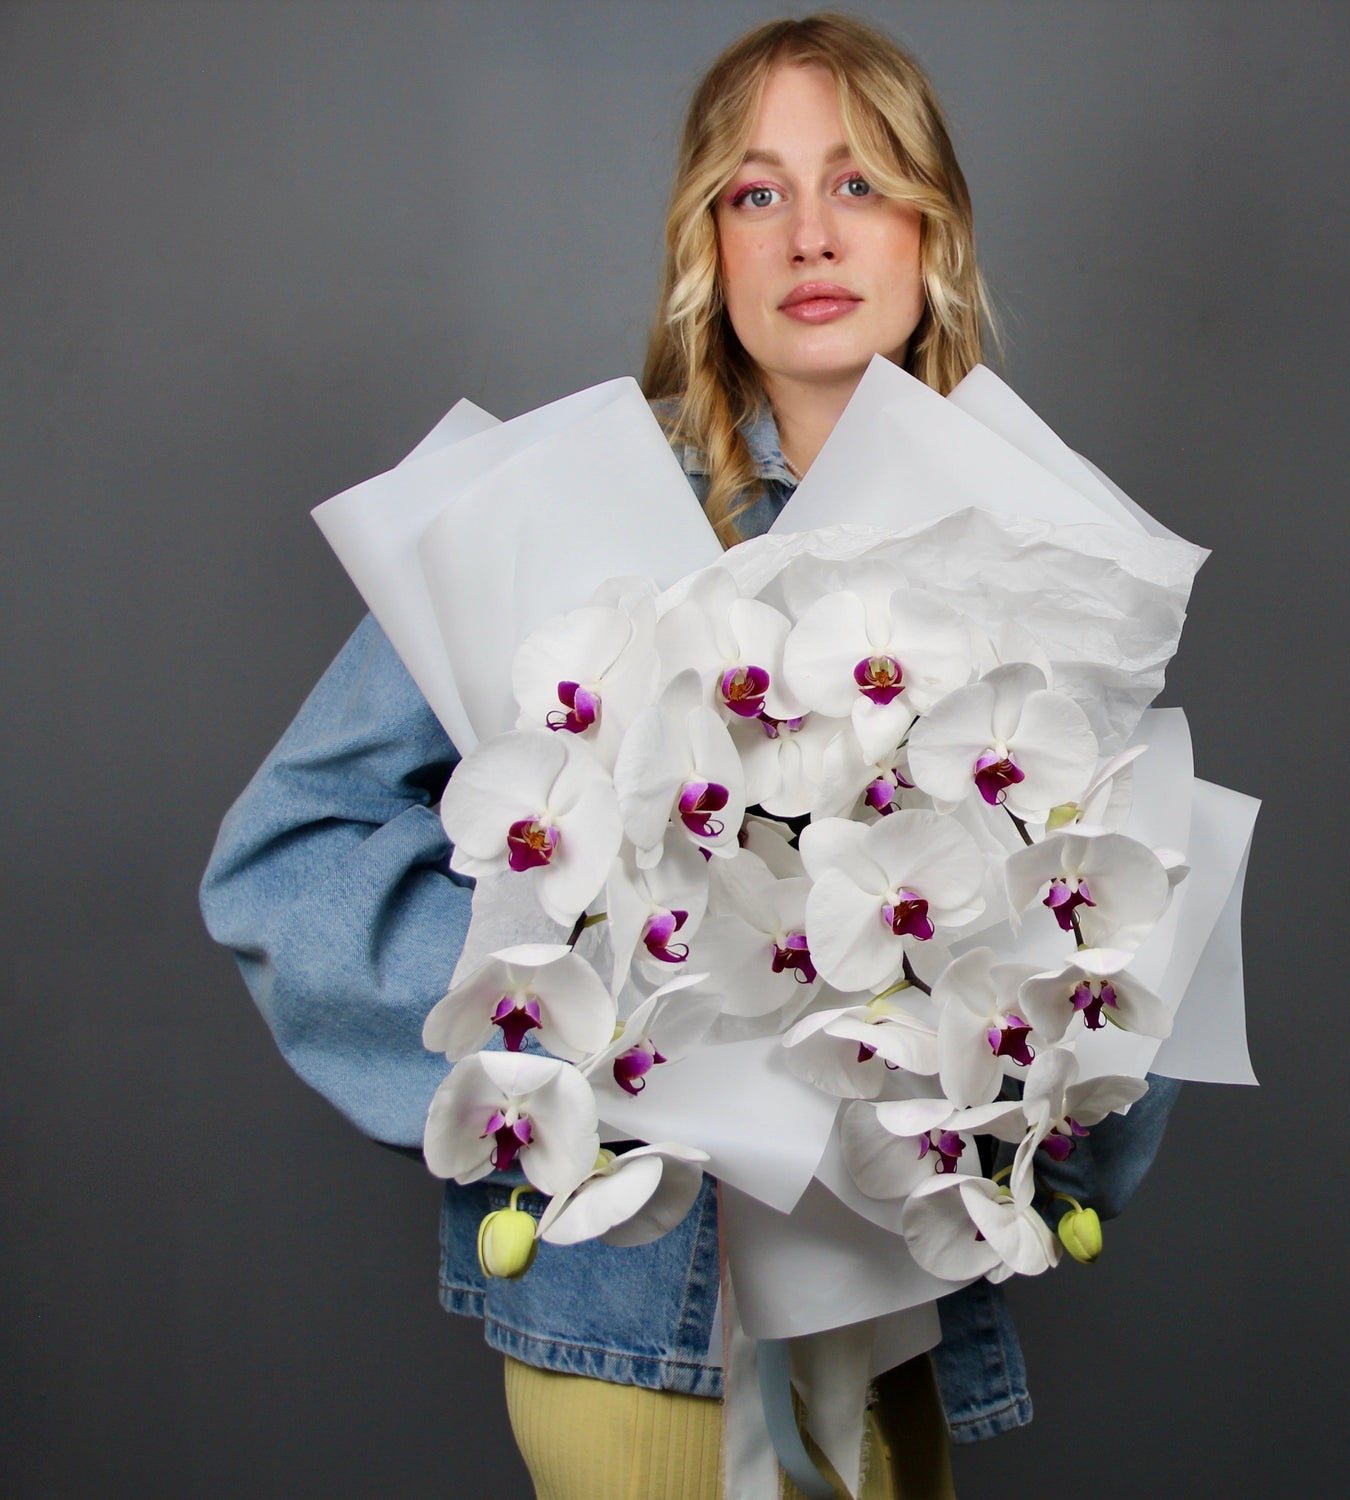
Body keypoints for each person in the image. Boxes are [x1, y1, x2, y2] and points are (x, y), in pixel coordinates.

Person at [201, 14, 1179, 1499]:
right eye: (755, 191)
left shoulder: (1031, 548)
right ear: (707, 247)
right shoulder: (570, 516)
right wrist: (571, 1014)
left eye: (859, 183)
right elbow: (287, 857)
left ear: (932, 232)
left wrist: (1033, 1113)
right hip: (643, 1323)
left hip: (900, 1311)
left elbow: (1114, 917)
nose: (810, 235)